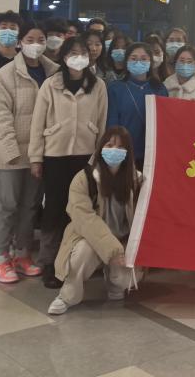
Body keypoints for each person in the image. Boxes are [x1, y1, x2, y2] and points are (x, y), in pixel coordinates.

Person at [29, 37, 108, 288]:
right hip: (55, 155)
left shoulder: (98, 86)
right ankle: (49, 262)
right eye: (73, 52)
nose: (79, 57)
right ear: (63, 56)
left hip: (85, 156)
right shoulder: (51, 84)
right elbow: (37, 123)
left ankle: (75, 261)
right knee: (54, 209)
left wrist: (98, 158)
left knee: (81, 209)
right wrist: (36, 158)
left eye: (83, 52)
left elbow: (102, 122)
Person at [0, 22, 59, 284]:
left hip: (38, 154)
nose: (36, 44)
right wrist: (9, 152)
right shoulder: (5, 75)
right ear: (19, 42)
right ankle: (1, 257)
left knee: (30, 206)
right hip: (10, 155)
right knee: (6, 206)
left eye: (41, 39)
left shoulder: (53, 73)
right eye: (30, 39)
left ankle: (22, 254)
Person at [47, 126, 142, 315]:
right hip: (90, 238)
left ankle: (114, 283)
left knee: (125, 279)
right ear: (100, 147)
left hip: (123, 241)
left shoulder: (137, 181)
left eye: (120, 147)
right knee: (82, 253)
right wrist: (112, 249)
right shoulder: (84, 179)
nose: (114, 150)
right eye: (109, 145)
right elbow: (85, 219)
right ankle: (68, 296)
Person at [106, 43, 168, 167]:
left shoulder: (160, 89)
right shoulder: (115, 88)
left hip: (151, 153)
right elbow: (112, 122)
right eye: (133, 58)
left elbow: (165, 122)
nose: (138, 62)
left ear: (150, 62)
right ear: (126, 61)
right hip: (123, 151)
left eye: (144, 59)